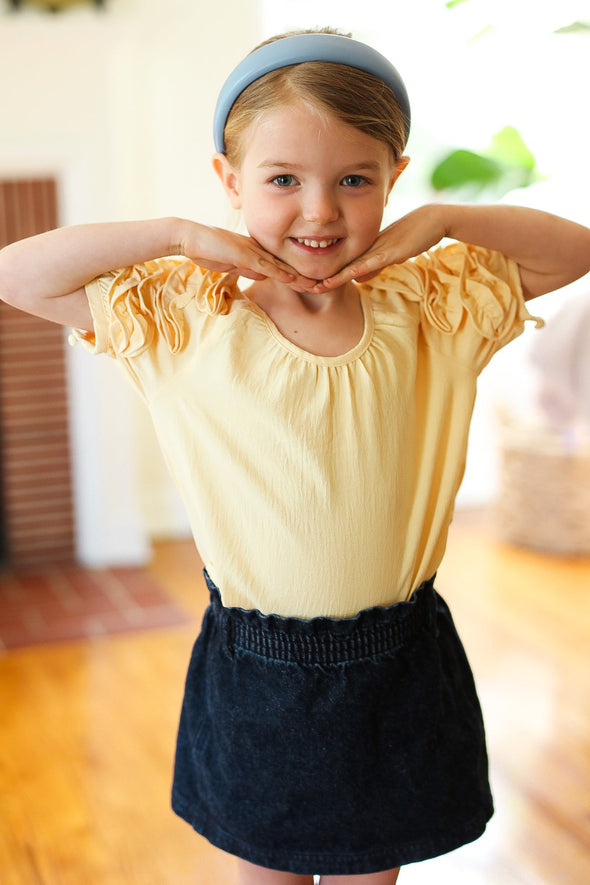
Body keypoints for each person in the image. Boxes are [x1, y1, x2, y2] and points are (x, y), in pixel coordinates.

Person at [1, 26, 589, 885]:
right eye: (284, 180)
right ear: (230, 183)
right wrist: (174, 234)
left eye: (356, 179)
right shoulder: (186, 316)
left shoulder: (431, 305)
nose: (320, 210)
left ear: (393, 176)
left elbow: (573, 250)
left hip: (397, 667)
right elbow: (18, 272)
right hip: (256, 675)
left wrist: (447, 219)